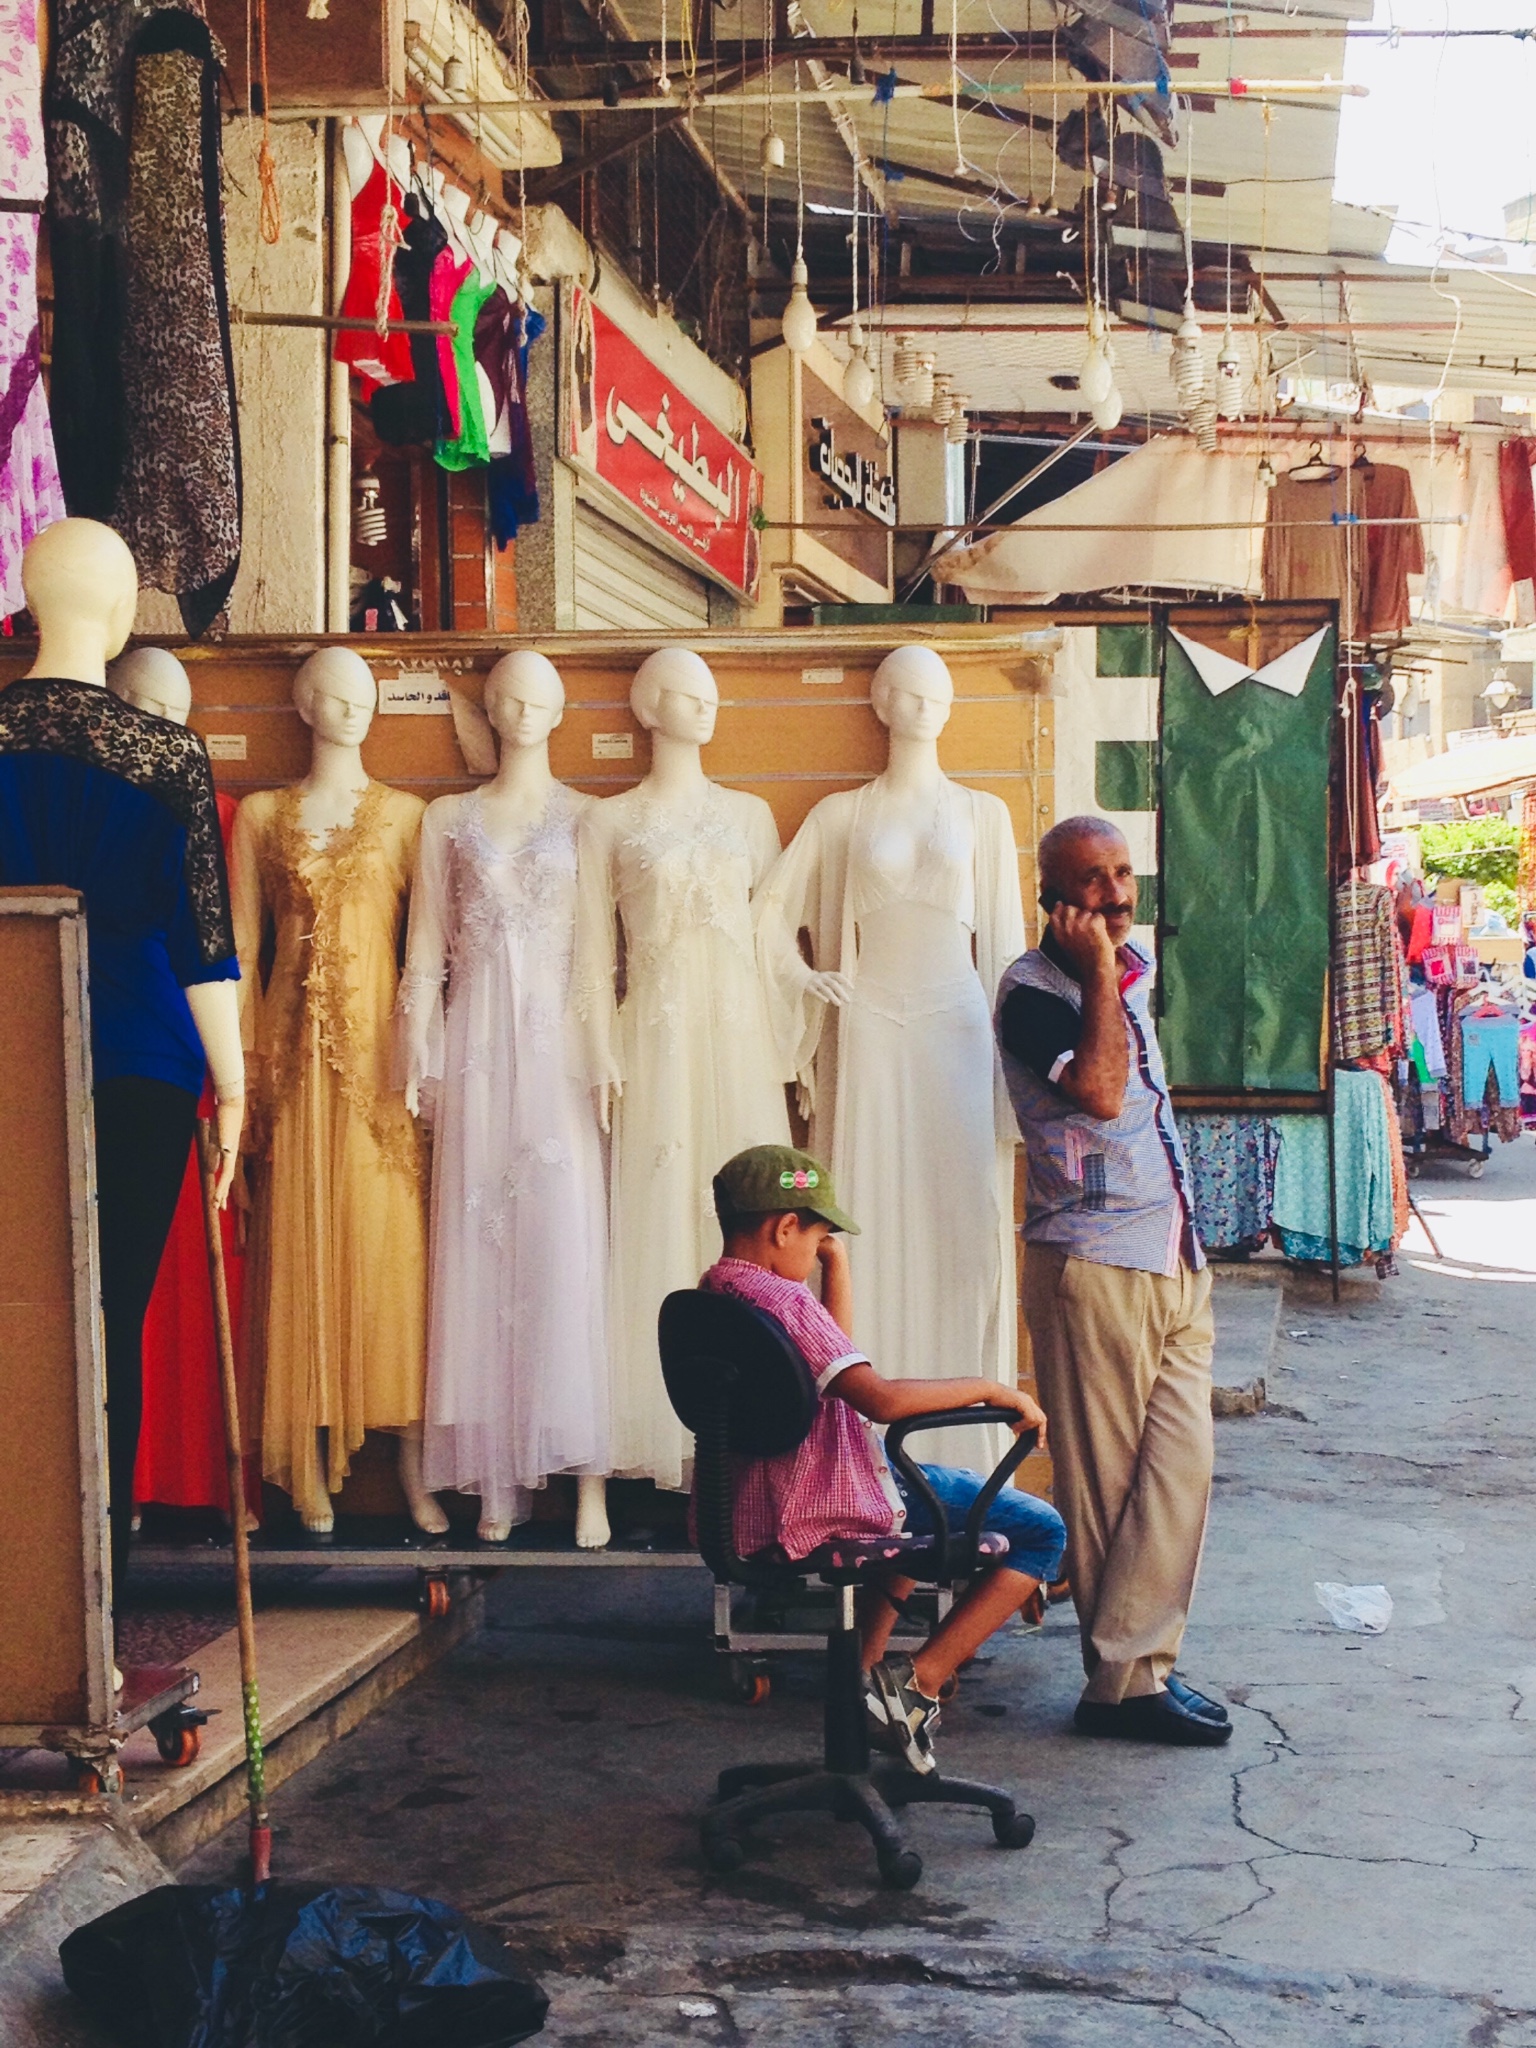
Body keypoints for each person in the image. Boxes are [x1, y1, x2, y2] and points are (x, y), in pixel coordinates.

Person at [698, 1144, 1066, 1776]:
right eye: (816, 1236)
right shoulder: (785, 1304)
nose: (818, 1249)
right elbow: (881, 1400)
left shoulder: (718, 1293)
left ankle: (865, 1684)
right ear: (785, 1227)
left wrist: (832, 1267)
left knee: (912, 1511)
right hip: (832, 1496)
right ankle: (917, 1684)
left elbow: (829, 1358)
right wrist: (992, 1388)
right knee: (1041, 1532)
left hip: (759, 1504)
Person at [994, 817, 1232, 1747]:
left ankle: (1140, 1668)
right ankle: (1124, 1682)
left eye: (1125, 874)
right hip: (1091, 1261)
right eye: (1093, 881)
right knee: (1104, 1485)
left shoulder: (1132, 978)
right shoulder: (1032, 993)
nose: (1117, 895)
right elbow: (1096, 1091)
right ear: (1054, 898)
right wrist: (1097, 972)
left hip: (1173, 1254)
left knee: (1179, 1475)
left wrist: (1112, 972)